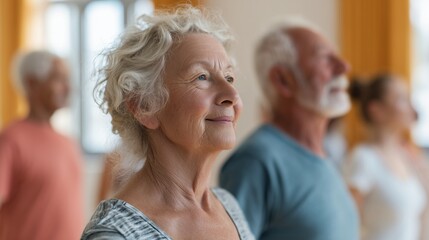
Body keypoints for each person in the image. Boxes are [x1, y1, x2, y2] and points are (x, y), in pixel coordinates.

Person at [81, 6, 254, 240]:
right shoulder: (114, 235)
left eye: (229, 77)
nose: (231, 95)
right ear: (144, 106)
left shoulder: (227, 206)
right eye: (201, 77)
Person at [219, 19, 359, 240]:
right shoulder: (256, 161)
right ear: (283, 80)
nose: (343, 67)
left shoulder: (324, 155)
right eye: (324, 58)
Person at [0, 50, 84, 240]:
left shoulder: (68, 142)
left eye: (67, 79)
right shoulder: (10, 141)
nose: (68, 88)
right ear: (31, 83)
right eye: (58, 79)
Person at [342, 74, 428, 240]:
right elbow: (346, 224)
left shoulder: (407, 157)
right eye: (401, 99)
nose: (410, 106)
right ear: (376, 110)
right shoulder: (363, 159)